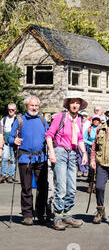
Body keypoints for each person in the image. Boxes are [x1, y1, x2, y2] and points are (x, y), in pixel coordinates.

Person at [45, 93, 88, 231]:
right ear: (68, 104)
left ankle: (67, 215)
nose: (75, 105)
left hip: (73, 153)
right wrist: (52, 152)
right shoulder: (61, 116)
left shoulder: (79, 119)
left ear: (80, 105)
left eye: (77, 102)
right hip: (60, 152)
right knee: (61, 187)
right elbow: (49, 135)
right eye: (72, 102)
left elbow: (80, 138)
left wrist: (84, 153)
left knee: (72, 187)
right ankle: (57, 216)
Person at [8, 96, 49, 226]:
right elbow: (10, 137)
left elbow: (49, 135)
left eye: (36, 105)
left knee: (43, 188)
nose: (34, 108)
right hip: (25, 158)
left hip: (41, 158)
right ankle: (27, 215)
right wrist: (14, 140)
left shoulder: (42, 119)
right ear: (26, 106)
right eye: (32, 105)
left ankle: (41, 213)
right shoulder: (20, 120)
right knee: (26, 188)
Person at [0, 103, 17, 183]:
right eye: (9, 109)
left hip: (14, 143)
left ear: (15, 110)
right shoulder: (3, 120)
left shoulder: (18, 119)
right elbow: (1, 134)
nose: (11, 111)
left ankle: (10, 176)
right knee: (5, 158)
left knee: (13, 159)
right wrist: (0, 146)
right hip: (6, 142)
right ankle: (2, 175)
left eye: (12, 110)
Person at [84, 114, 101, 183]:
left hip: (99, 150)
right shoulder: (89, 129)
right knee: (91, 167)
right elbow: (83, 139)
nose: (96, 121)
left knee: (99, 168)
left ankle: (97, 184)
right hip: (90, 149)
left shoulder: (101, 128)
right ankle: (90, 183)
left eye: (97, 120)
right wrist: (90, 143)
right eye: (94, 120)